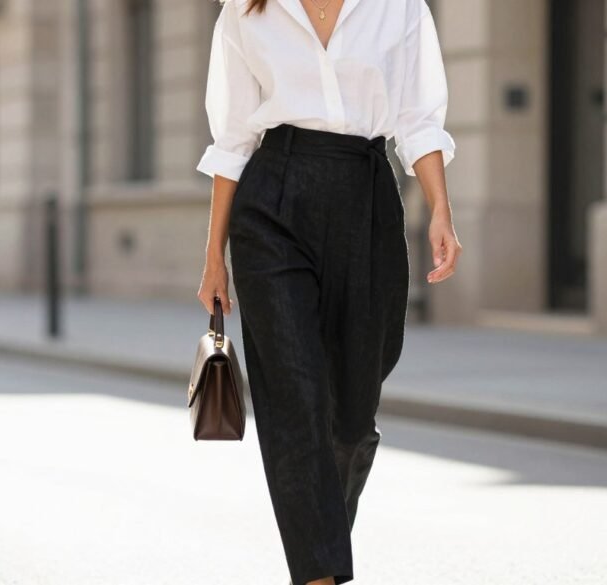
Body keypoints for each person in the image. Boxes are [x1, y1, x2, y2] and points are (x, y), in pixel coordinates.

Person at [195, 0, 461, 583]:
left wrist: (441, 207)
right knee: (295, 397)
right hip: (271, 205)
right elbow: (235, 137)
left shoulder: (399, 7)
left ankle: (320, 548)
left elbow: (419, 115)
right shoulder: (246, 10)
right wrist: (214, 253)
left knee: (351, 418)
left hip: (365, 196)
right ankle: (320, 575)